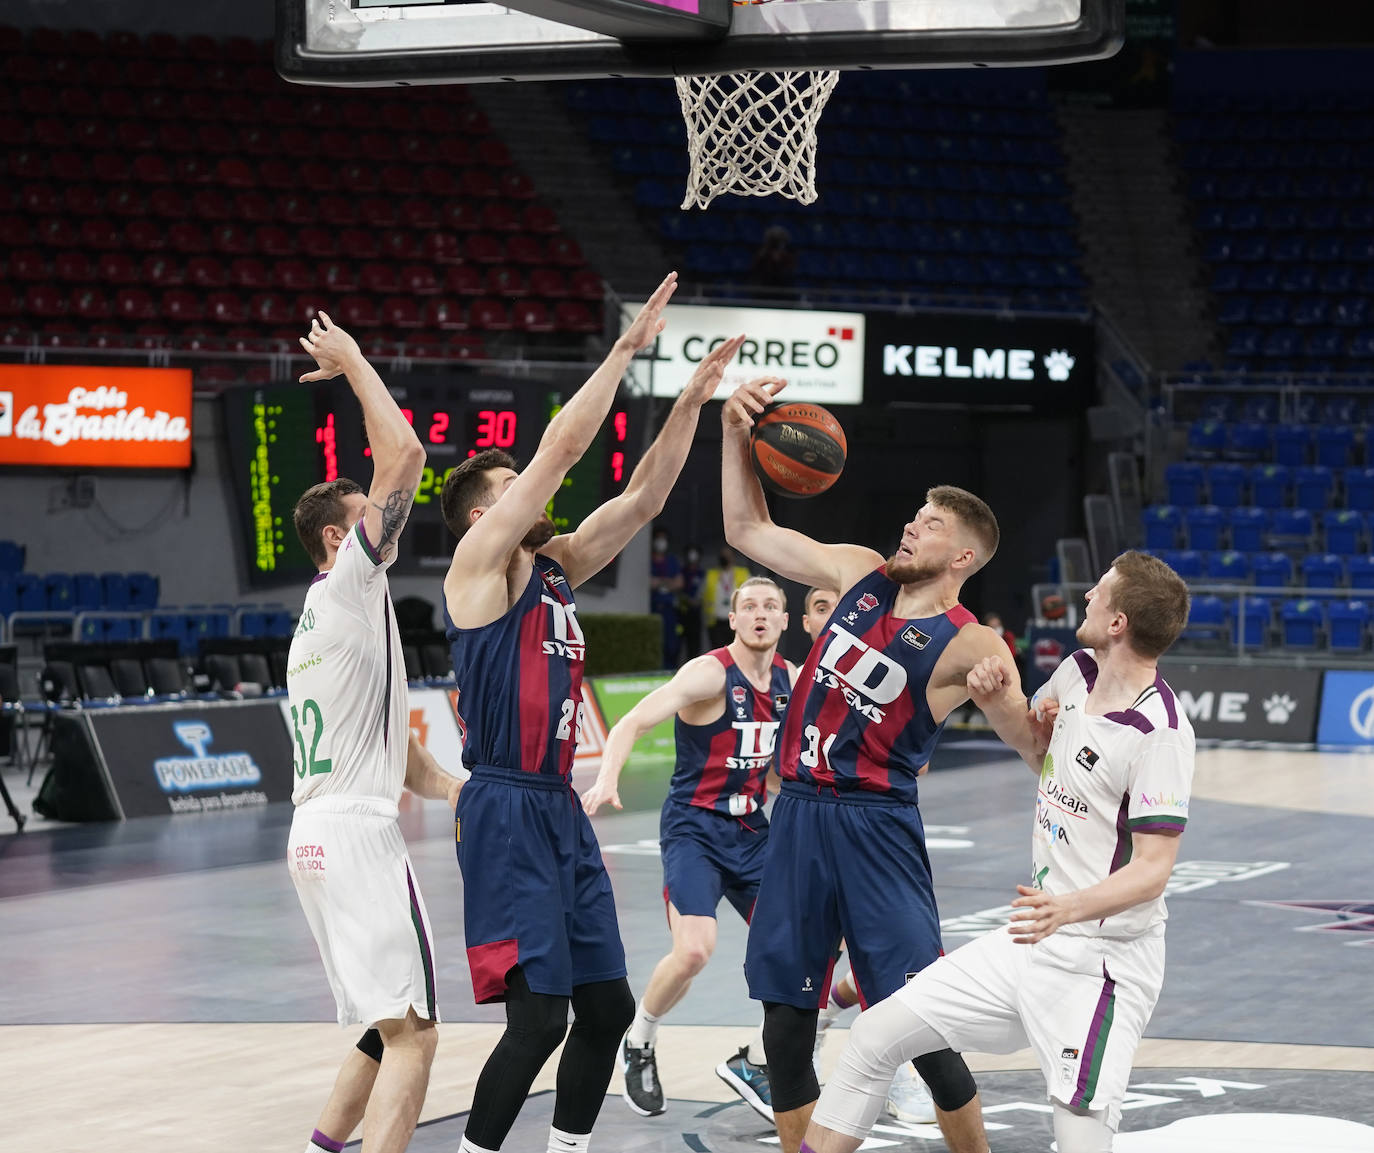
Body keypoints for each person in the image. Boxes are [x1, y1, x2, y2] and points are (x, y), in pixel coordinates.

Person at [439, 272, 745, 1153]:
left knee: (606, 1008)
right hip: (502, 807)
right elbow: (561, 455)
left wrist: (689, 396)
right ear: (488, 512)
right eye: (515, 485)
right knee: (536, 1023)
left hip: (557, 806)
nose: (535, 494)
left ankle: (567, 1147)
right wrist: (623, 353)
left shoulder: (557, 566)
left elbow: (644, 497)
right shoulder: (480, 567)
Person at [801, 551, 1194, 1153]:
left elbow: (1152, 871)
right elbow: (1042, 757)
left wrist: (1068, 908)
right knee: (875, 1035)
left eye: (1101, 590)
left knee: (1082, 1140)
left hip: (1103, 964)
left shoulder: (1160, 732)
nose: (1088, 594)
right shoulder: (1076, 674)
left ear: (1119, 622)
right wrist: (995, 701)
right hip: (1032, 941)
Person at [721, 375, 1019, 1153]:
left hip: (876, 827)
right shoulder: (857, 571)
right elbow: (745, 526)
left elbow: (1032, 744)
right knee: (785, 1023)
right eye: (914, 516)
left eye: (928, 524)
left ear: (961, 553)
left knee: (921, 1022)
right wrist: (732, 435)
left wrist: (1014, 701)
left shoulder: (973, 644)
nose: (910, 528)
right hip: (799, 817)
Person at [286, 313, 465, 1153]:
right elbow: (408, 459)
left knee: (374, 1021)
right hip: (356, 836)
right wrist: (357, 359)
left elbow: (411, 763)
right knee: (416, 1032)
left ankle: (323, 1142)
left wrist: (477, 791)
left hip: (313, 836)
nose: (385, 527)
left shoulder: (324, 616)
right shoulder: (352, 581)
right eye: (365, 518)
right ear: (338, 537)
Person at [582, 575, 797, 1123]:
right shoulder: (708, 673)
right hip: (695, 830)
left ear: (784, 621)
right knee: (696, 949)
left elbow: (767, 768)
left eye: (770, 606)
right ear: (733, 618)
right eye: (748, 605)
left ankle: (752, 1061)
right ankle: (640, 1039)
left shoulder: (790, 682)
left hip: (753, 832)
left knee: (808, 947)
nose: (759, 614)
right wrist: (607, 777)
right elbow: (632, 720)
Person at [801, 585, 937, 1127]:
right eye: (817, 607)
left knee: (894, 962)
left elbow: (917, 762)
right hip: (804, 828)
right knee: (811, 962)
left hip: (871, 826)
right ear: (809, 626)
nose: (830, 614)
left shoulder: (884, 671)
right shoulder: (788, 682)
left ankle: (895, 1063)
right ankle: (804, 1045)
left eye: (836, 606)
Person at [704, 546, 752, 648]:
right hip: (716, 621)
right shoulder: (711, 574)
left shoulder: (743, 573)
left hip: (737, 621)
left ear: (733, 557)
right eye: (723, 555)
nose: (725, 558)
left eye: (728, 555)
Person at [650, 527, 684, 667]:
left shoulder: (672, 561)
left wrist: (660, 582)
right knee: (654, 643)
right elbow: (649, 583)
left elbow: (679, 582)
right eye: (658, 538)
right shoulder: (648, 560)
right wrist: (668, 582)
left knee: (671, 645)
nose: (661, 542)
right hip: (653, 607)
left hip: (669, 609)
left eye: (663, 539)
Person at [678, 543, 706, 661]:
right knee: (677, 644)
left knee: (695, 645)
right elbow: (678, 589)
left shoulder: (702, 573)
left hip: (696, 613)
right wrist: (686, 600)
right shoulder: (682, 572)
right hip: (681, 613)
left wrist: (697, 601)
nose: (692, 556)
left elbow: (705, 591)